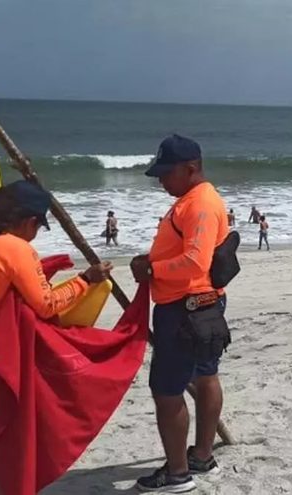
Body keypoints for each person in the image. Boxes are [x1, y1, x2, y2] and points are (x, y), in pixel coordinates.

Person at [0, 180, 113, 495]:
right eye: (38, 227)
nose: (36, 234)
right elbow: (47, 304)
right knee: (9, 442)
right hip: (1, 354)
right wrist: (85, 280)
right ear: (27, 220)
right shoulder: (15, 247)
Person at [130, 135, 231, 493]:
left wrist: (152, 269)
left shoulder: (200, 203)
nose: (161, 181)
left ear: (191, 169)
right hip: (201, 305)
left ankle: (177, 474)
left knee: (167, 390)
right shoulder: (191, 200)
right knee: (206, 377)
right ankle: (201, 457)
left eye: (166, 173)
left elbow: (195, 261)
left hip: (187, 309)